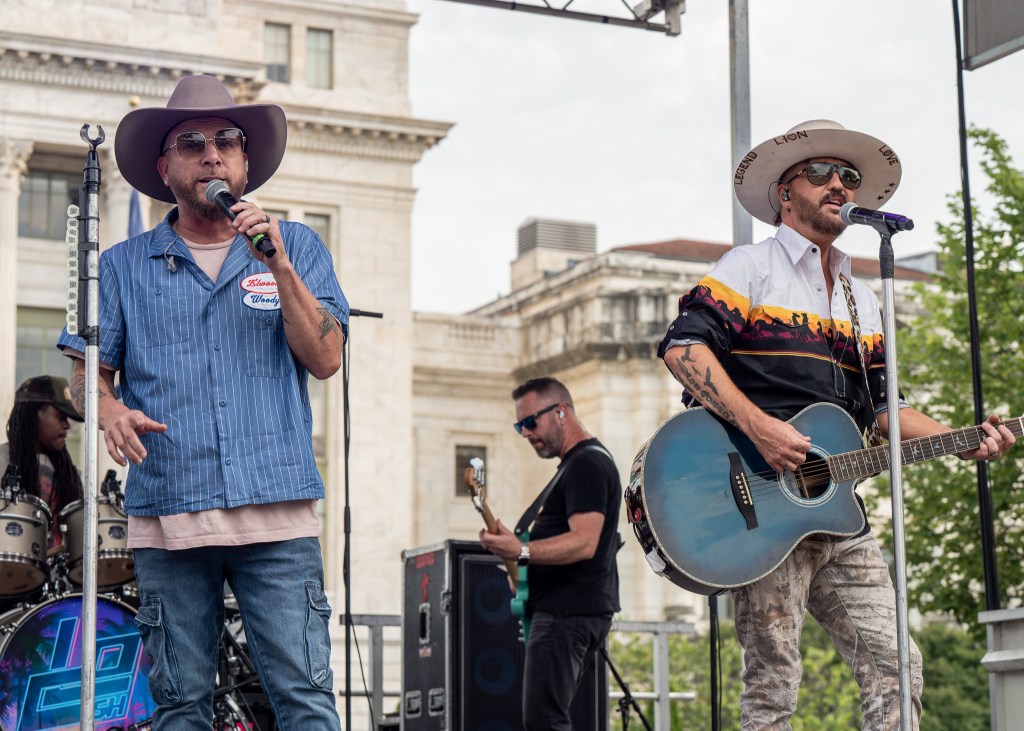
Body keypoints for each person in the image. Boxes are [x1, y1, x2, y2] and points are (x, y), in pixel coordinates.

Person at [657, 119, 1016, 730]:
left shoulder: (862, 296)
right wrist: (762, 429)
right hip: (758, 513)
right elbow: (683, 349)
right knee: (774, 684)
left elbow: (883, 409)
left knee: (897, 664)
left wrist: (962, 441)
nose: (839, 185)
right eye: (820, 172)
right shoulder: (751, 267)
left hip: (837, 516)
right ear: (784, 194)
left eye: (848, 177)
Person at [57, 74, 347, 730]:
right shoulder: (124, 264)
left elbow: (327, 358)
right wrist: (107, 407)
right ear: (165, 167)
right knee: (180, 704)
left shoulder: (296, 246)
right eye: (191, 143)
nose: (211, 154)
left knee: (304, 699)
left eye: (226, 141)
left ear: (246, 162)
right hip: (170, 518)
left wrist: (278, 266)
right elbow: (81, 376)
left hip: (277, 518)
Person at [478, 376, 621, 731]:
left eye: (530, 422)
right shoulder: (576, 465)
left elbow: (585, 541)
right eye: (519, 425)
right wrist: (520, 564)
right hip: (567, 611)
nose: (525, 433)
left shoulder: (586, 464)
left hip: (566, 614)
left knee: (545, 722)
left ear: (561, 412)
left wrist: (522, 551)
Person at [1, 375, 84, 549]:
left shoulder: (71, 474)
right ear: (34, 414)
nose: (67, 425)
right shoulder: (3, 460)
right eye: (61, 416)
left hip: (57, 574)